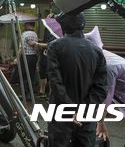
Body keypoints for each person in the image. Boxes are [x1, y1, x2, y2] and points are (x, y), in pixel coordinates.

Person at [47, 13, 107, 147]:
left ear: (63, 27)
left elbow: (56, 83)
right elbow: (101, 88)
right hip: (86, 117)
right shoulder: (97, 51)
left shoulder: (55, 46)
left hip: (61, 114)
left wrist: (71, 109)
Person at [11, 22, 39, 99]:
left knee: (23, 76)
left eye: (24, 24)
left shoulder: (24, 34)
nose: (23, 26)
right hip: (33, 57)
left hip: (25, 57)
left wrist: (17, 58)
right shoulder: (35, 34)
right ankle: (30, 94)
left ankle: (24, 94)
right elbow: (36, 49)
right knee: (31, 76)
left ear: (27, 25)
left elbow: (21, 48)